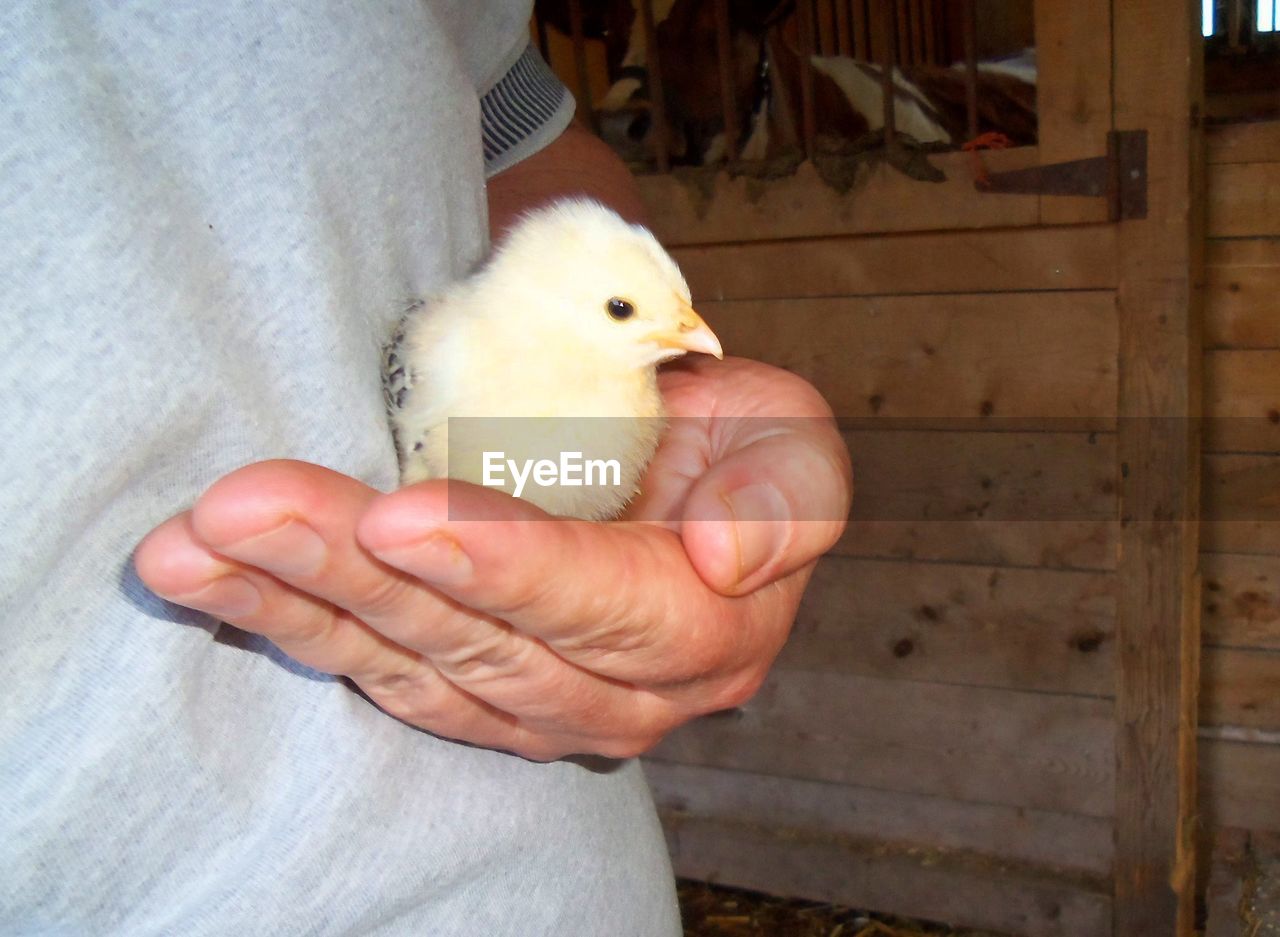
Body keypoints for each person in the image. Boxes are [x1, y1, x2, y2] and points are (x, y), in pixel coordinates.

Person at [1, 2, 851, 933]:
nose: (689, 338)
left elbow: (524, 145)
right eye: (623, 312)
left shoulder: (619, 392)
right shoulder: (447, 345)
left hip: (558, 881)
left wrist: (687, 402)